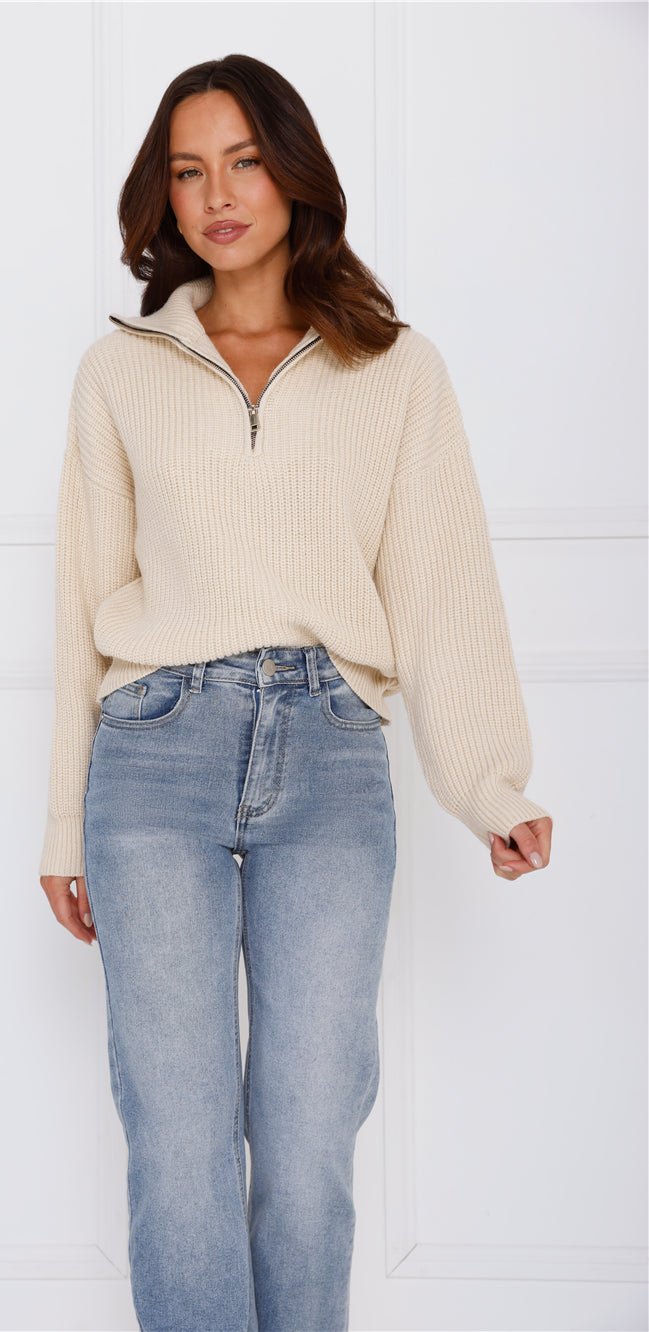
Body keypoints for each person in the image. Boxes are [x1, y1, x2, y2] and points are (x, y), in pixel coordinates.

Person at [38, 53, 553, 1332]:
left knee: (312, 1145)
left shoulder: (395, 369)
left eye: (245, 162)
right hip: (152, 758)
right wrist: (61, 826)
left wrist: (488, 785)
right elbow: (81, 602)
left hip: (329, 757)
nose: (217, 195)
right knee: (178, 1149)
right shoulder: (119, 373)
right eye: (188, 170)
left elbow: (440, 582)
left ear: (294, 172)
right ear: (163, 196)